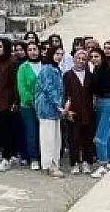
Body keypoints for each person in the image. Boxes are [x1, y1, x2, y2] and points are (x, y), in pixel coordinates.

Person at [63, 49, 95, 174]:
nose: (81, 61)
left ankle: (87, 162)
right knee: (74, 138)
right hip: (73, 111)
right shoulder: (67, 75)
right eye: (78, 58)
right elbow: (65, 94)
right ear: (74, 59)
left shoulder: (90, 75)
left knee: (87, 138)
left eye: (83, 59)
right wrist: (67, 111)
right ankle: (74, 163)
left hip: (88, 110)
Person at [0, 38, 19, 172]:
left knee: (7, 130)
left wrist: (15, 101)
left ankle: (7, 157)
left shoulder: (12, 62)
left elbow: (14, 83)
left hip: (8, 101)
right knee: (2, 129)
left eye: (0, 46)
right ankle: (10, 154)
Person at [89, 47, 110, 178]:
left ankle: (103, 165)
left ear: (101, 57)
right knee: (107, 137)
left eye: (96, 56)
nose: (94, 59)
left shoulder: (105, 71)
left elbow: (104, 88)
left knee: (99, 138)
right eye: (92, 57)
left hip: (107, 105)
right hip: (100, 104)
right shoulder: (96, 70)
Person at [37, 46, 65, 177]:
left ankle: (55, 162)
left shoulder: (56, 69)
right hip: (48, 107)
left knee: (56, 138)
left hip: (55, 109)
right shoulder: (47, 69)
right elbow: (49, 89)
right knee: (48, 137)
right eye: (57, 53)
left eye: (61, 54)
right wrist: (57, 104)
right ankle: (48, 165)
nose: (59, 56)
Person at [16, 41, 43, 170]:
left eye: (35, 49)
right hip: (28, 106)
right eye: (30, 49)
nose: (33, 52)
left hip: (44, 105)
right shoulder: (23, 67)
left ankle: (45, 157)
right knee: (31, 131)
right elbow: (22, 88)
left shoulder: (45, 65)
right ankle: (34, 158)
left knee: (44, 132)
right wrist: (32, 101)